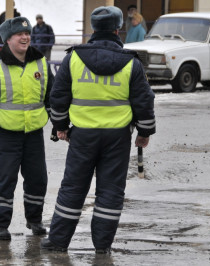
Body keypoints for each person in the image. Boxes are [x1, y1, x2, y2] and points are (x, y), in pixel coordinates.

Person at [40, 6, 156, 254]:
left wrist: (60, 126)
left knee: (73, 187)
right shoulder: (131, 62)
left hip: (82, 135)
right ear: (117, 29)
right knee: (111, 191)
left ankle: (58, 241)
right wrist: (144, 132)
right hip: (117, 138)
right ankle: (102, 246)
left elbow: (58, 96)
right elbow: (144, 101)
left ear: (94, 29)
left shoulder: (73, 59)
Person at [0, 16, 55, 241]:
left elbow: (52, 97)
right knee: (5, 180)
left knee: (38, 180)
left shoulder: (41, 63)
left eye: (27, 34)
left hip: (34, 134)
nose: (25, 38)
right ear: (8, 40)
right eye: (19, 35)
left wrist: (58, 124)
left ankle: (34, 220)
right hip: (7, 135)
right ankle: (0, 226)